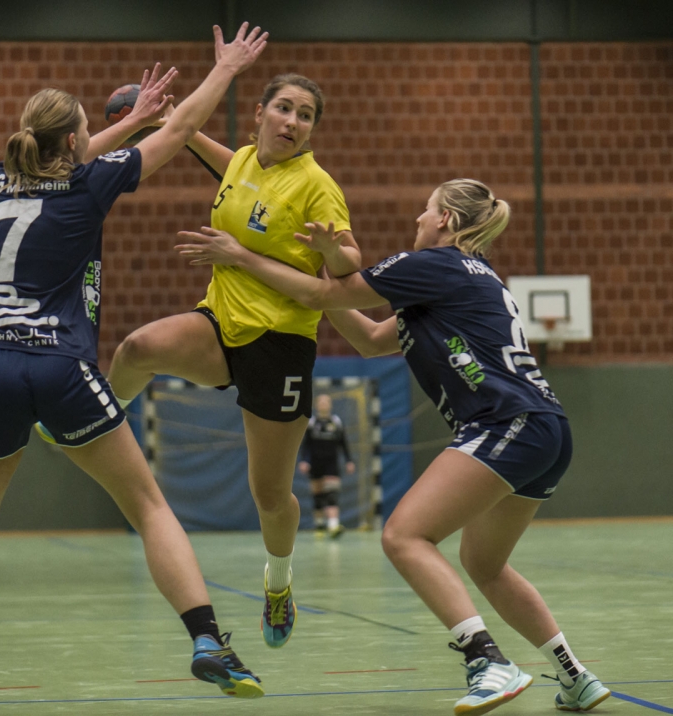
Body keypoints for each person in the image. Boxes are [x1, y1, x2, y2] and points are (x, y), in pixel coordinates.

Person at [0, 24, 269, 716]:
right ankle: (207, 642)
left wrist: (127, 121)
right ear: (75, 144)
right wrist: (224, 70)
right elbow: (182, 130)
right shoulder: (89, 187)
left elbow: (64, 158)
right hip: (61, 368)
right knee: (148, 507)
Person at [175, 178, 612, 715]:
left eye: (426, 209)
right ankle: (575, 676)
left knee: (404, 536)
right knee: (484, 563)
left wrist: (243, 256)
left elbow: (324, 295)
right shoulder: (457, 279)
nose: (418, 219)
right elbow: (366, 339)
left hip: (505, 422)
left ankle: (487, 660)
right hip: (544, 428)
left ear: (445, 220)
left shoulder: (433, 264)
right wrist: (323, 266)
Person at [107, 73, 361, 649]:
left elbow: (349, 264)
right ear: (261, 113)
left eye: (305, 115)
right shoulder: (245, 160)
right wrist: (167, 121)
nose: (293, 121)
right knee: (137, 349)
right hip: (220, 323)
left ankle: (279, 582)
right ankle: (97, 418)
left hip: (280, 345)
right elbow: (209, 151)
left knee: (269, 496)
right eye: (284, 108)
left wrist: (331, 250)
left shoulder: (317, 185)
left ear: (311, 130)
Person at [298, 393, 355, 537]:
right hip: (316, 463)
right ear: (316, 405)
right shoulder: (312, 423)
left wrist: (349, 460)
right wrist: (304, 461)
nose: (323, 404)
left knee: (331, 494)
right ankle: (319, 526)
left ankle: (333, 525)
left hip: (331, 463)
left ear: (330, 405)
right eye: (321, 402)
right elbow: (306, 445)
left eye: (326, 402)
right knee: (318, 496)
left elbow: (343, 443)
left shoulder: (336, 422)